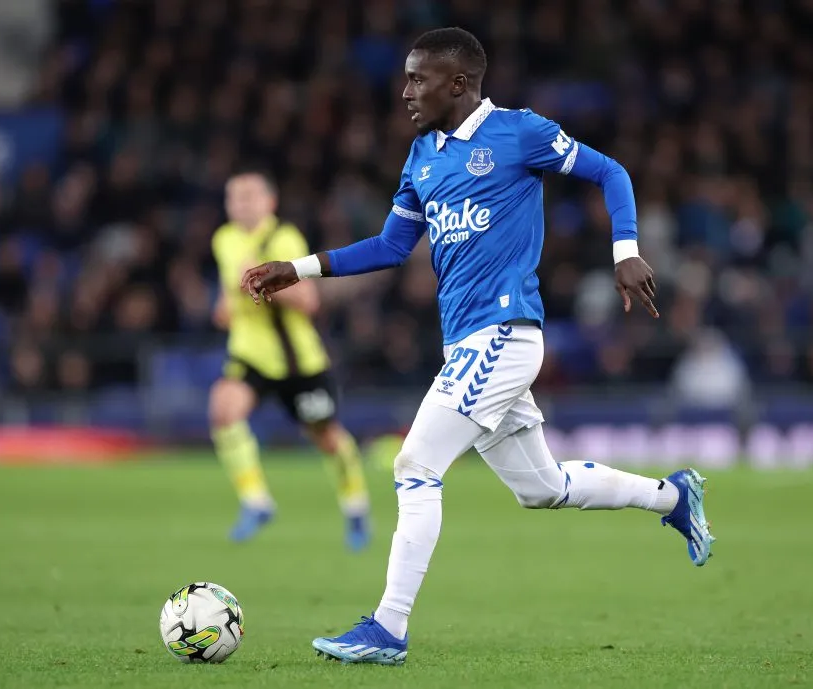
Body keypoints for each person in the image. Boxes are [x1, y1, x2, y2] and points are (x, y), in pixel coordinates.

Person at [240, 28, 715, 664]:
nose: (406, 91)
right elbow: (390, 247)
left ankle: (388, 628)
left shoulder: (519, 133)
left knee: (415, 465)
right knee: (541, 488)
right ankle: (674, 496)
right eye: (406, 78)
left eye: (419, 79)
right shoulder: (422, 156)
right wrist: (297, 269)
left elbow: (611, 171)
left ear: (458, 83)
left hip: (504, 333)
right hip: (466, 342)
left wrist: (624, 251)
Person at [210, 169, 370, 549]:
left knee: (326, 437)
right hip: (250, 354)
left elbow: (308, 301)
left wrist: (261, 280)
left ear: (270, 202)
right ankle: (256, 502)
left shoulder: (284, 238)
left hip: (298, 361)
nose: (240, 204)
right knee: (224, 410)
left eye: (249, 196)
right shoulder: (224, 239)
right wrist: (226, 306)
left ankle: (356, 507)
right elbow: (226, 299)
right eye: (234, 197)